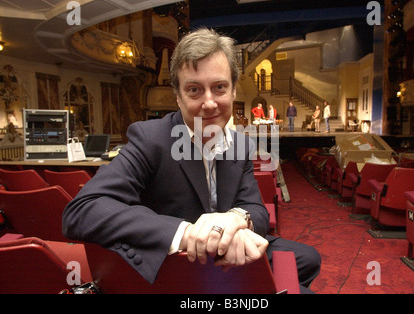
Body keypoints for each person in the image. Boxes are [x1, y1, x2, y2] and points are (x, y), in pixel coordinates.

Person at [62, 28, 320, 294]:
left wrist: (236, 218)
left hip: (227, 251)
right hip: (178, 261)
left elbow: (255, 208)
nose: (209, 103)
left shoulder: (241, 143)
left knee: (309, 259)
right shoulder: (151, 139)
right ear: (178, 96)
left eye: (219, 87)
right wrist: (185, 232)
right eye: (194, 90)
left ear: (233, 91)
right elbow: (81, 211)